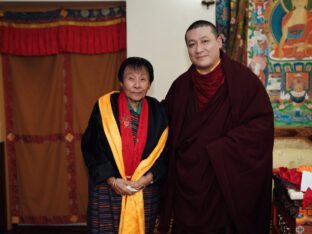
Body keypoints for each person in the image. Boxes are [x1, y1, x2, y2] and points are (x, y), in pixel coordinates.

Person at [158, 20, 274, 234]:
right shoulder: (181, 86)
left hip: (225, 184)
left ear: (219, 41)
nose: (198, 49)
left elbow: (261, 126)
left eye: (205, 41)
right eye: (191, 44)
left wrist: (221, 148)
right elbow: (160, 123)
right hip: (188, 186)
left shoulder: (243, 81)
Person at [81, 57, 168, 234]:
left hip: (144, 187)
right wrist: (112, 180)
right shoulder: (104, 106)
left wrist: (148, 178)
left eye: (143, 79)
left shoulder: (158, 111)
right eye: (131, 78)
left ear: (149, 84)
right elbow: (92, 145)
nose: (137, 85)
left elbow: (164, 151)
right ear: (121, 82)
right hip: (108, 187)